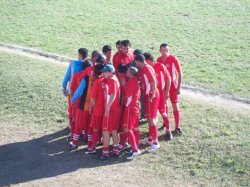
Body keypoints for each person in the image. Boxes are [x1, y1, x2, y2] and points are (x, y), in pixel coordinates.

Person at [134, 54, 160, 152]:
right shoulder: (147, 67)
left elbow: (153, 81)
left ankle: (156, 142)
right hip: (149, 95)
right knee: (149, 118)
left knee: (151, 119)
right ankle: (150, 138)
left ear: (138, 61)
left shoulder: (147, 69)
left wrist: (152, 94)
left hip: (151, 96)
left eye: (136, 62)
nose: (136, 64)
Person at [144, 52, 172, 140]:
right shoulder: (147, 68)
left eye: (145, 61)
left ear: (148, 60)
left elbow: (169, 80)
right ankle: (152, 133)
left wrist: (167, 92)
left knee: (163, 112)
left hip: (161, 95)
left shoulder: (160, 66)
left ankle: (168, 130)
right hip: (153, 95)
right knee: (152, 115)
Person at [61, 48, 88, 141]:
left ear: (80, 54)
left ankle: (73, 132)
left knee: (72, 112)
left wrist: (64, 87)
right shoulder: (88, 65)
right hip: (84, 95)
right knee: (81, 112)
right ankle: (82, 131)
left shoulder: (73, 63)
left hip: (72, 93)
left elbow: (67, 77)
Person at [157, 43, 183, 134]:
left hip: (173, 86)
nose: (165, 52)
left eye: (167, 50)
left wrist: (178, 87)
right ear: (160, 51)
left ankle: (177, 126)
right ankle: (166, 122)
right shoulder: (158, 60)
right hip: (163, 87)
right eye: (163, 50)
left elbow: (180, 74)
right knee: (164, 104)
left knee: (175, 104)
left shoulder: (173, 59)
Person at [100, 64, 121, 160]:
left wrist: (107, 108)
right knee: (113, 130)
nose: (103, 73)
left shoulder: (112, 81)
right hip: (115, 109)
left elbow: (113, 94)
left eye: (104, 71)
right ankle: (116, 150)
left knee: (106, 131)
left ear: (110, 72)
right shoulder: (113, 78)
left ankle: (105, 153)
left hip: (111, 110)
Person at [85, 63, 105, 154]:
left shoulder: (97, 82)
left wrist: (90, 108)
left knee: (95, 130)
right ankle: (101, 142)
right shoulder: (107, 80)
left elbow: (92, 98)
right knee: (103, 128)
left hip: (97, 110)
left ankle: (92, 148)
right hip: (105, 110)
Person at [123, 67, 141, 160]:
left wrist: (124, 85)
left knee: (127, 129)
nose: (126, 71)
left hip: (130, 107)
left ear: (130, 73)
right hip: (135, 107)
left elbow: (128, 95)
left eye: (127, 70)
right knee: (134, 127)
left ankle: (135, 149)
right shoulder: (136, 81)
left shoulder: (131, 82)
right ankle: (136, 145)